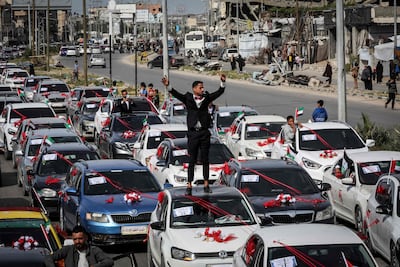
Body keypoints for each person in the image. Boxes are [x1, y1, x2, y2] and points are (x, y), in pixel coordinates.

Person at [161, 74, 226, 195]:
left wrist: (222, 83)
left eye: (203, 87)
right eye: (200, 87)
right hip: (193, 133)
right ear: (194, 89)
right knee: (192, 159)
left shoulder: (206, 98)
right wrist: (168, 86)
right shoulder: (188, 98)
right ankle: (189, 184)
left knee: (205, 159)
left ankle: (206, 184)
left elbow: (219, 92)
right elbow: (176, 94)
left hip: (204, 132)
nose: (202, 89)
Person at [44, 225, 113, 267]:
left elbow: (109, 261)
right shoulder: (68, 250)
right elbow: (48, 258)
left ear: (86, 238)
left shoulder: (94, 250)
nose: (77, 241)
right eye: (75, 239)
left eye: (80, 239)